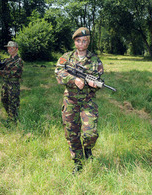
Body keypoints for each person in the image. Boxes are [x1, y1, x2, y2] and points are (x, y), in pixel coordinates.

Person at [55, 27, 104, 174]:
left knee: (91, 133)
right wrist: (74, 79)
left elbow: (99, 80)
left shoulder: (95, 60)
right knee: (72, 133)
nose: (81, 43)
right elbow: (58, 72)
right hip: (70, 100)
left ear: (88, 42)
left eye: (84, 40)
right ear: (75, 42)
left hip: (88, 101)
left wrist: (93, 85)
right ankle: (78, 161)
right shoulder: (66, 57)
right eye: (78, 41)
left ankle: (88, 148)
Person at [0, 41, 23, 126]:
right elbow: (4, 70)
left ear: (16, 49)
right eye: (8, 48)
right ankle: (10, 116)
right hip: (5, 83)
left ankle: (13, 121)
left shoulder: (19, 60)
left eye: (11, 48)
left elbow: (14, 72)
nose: (9, 49)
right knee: (4, 100)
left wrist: (1, 72)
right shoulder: (7, 60)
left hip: (13, 84)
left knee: (13, 102)